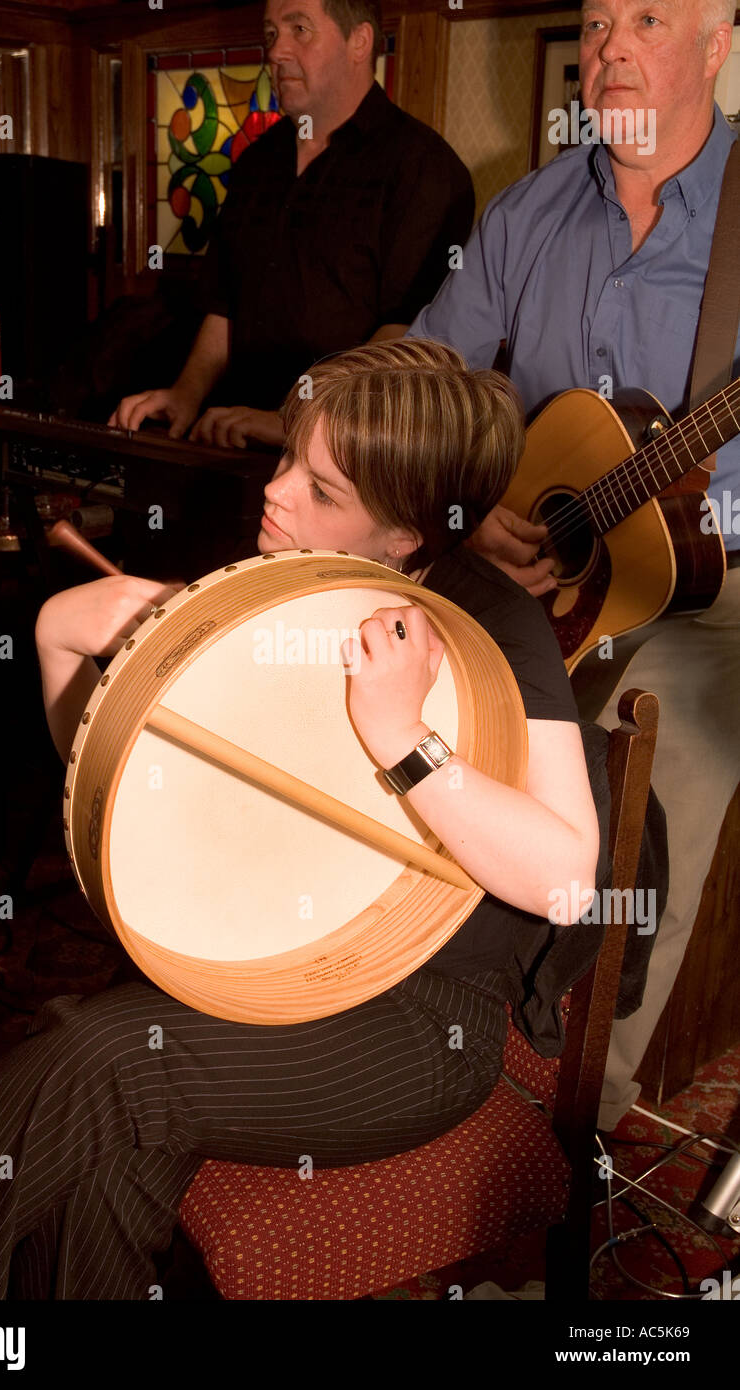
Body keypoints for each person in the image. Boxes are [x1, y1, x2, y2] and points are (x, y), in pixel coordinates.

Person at [0, 339, 605, 1299]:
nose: (279, 493)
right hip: (263, 973)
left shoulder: (492, 622)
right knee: (104, 1164)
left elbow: (566, 877)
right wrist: (62, 641)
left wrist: (403, 738)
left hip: (419, 1027)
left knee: (103, 1061)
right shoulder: (279, 579)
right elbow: (133, 791)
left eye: (324, 489)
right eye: (291, 457)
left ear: (407, 538)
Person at [406, 0, 739, 1131]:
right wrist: (471, 499)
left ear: (715, 44)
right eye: (598, 20)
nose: (609, 47)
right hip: (533, 581)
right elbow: (427, 382)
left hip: (710, 589)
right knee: (441, 757)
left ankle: (566, 1131)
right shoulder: (526, 208)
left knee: (642, 813)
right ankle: (413, 1055)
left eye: (648, 16)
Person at [108, 0, 474, 450]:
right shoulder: (257, 161)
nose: (276, 52)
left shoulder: (424, 168)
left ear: (359, 41)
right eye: (270, 35)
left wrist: (294, 419)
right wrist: (186, 394)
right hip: (229, 437)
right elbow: (224, 306)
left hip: (345, 458)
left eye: (299, 29)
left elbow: (407, 335)